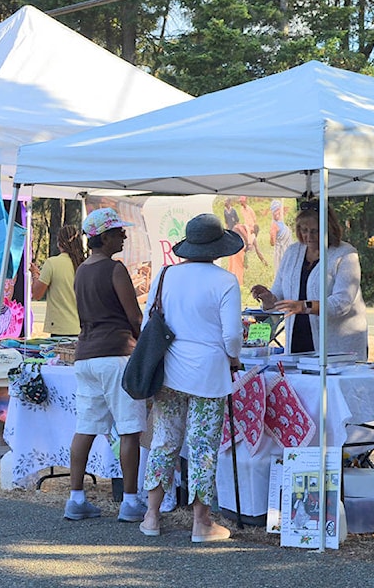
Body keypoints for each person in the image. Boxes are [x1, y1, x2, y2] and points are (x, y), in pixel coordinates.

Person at [138, 213, 243, 541]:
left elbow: (147, 325)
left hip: (170, 370)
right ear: (218, 247)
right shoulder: (225, 281)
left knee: (164, 441)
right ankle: (201, 523)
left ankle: (152, 517)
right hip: (209, 374)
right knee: (202, 445)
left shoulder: (166, 275)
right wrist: (234, 359)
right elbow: (232, 337)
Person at [65, 207, 147, 523]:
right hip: (116, 354)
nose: (124, 235)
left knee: (85, 427)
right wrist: (145, 344)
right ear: (105, 237)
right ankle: (129, 501)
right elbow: (134, 317)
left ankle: (76, 498)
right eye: (118, 232)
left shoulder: (82, 270)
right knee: (129, 428)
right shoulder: (115, 269)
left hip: (86, 355)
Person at [250, 200, 368, 359]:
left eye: (315, 231)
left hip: (336, 348)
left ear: (329, 229)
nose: (308, 236)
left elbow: (341, 303)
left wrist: (304, 306)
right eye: (304, 230)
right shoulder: (292, 252)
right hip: (297, 342)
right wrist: (268, 298)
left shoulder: (346, 254)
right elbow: (279, 296)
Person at [29, 224, 86, 337]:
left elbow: (37, 294)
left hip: (60, 329)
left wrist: (35, 274)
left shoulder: (52, 263)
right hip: (83, 328)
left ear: (59, 243)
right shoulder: (84, 264)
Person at [269, 199, 293, 270]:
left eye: (277, 210)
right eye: (274, 211)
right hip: (281, 255)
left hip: (287, 254)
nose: (276, 212)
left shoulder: (282, 223)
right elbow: (272, 243)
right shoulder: (274, 225)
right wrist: (272, 235)